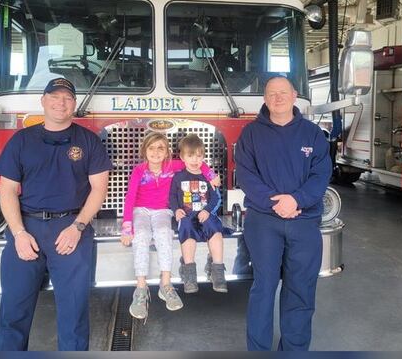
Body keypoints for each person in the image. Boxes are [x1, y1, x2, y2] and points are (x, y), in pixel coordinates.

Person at [0, 77, 112, 351]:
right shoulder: (21, 140)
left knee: (73, 315)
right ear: (43, 101)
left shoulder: (89, 141)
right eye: (55, 97)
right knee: (13, 312)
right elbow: (8, 190)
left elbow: (99, 189)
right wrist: (19, 233)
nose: (61, 102)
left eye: (68, 98)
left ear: (74, 104)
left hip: (71, 231)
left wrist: (78, 227)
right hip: (27, 230)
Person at [235, 76, 331, 351]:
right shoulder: (250, 134)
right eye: (271, 94)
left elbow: (321, 174)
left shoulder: (313, 134)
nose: (277, 98)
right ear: (265, 99)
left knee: (301, 291)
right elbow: (246, 175)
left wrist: (296, 200)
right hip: (263, 222)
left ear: (294, 95)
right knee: (263, 290)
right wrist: (274, 203)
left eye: (283, 92)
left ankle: (294, 351)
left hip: (304, 222)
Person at [120, 132, 220, 319]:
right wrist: (127, 227)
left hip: (163, 211)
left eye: (161, 148)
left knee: (164, 232)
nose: (156, 152)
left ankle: (165, 284)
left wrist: (211, 174)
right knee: (140, 234)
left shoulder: (173, 165)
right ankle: (140, 288)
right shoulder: (139, 170)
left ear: (167, 152)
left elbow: (195, 162)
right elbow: (130, 197)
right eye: (151, 148)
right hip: (140, 210)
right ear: (144, 150)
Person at [170, 134, 228, 295]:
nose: (195, 160)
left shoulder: (207, 176)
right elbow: (172, 196)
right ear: (182, 157)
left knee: (215, 230)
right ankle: (189, 273)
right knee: (186, 229)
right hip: (187, 216)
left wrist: (207, 210)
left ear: (203, 155)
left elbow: (216, 197)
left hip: (205, 214)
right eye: (190, 155)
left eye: (199, 155)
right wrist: (176, 210)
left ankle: (218, 271)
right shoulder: (178, 177)